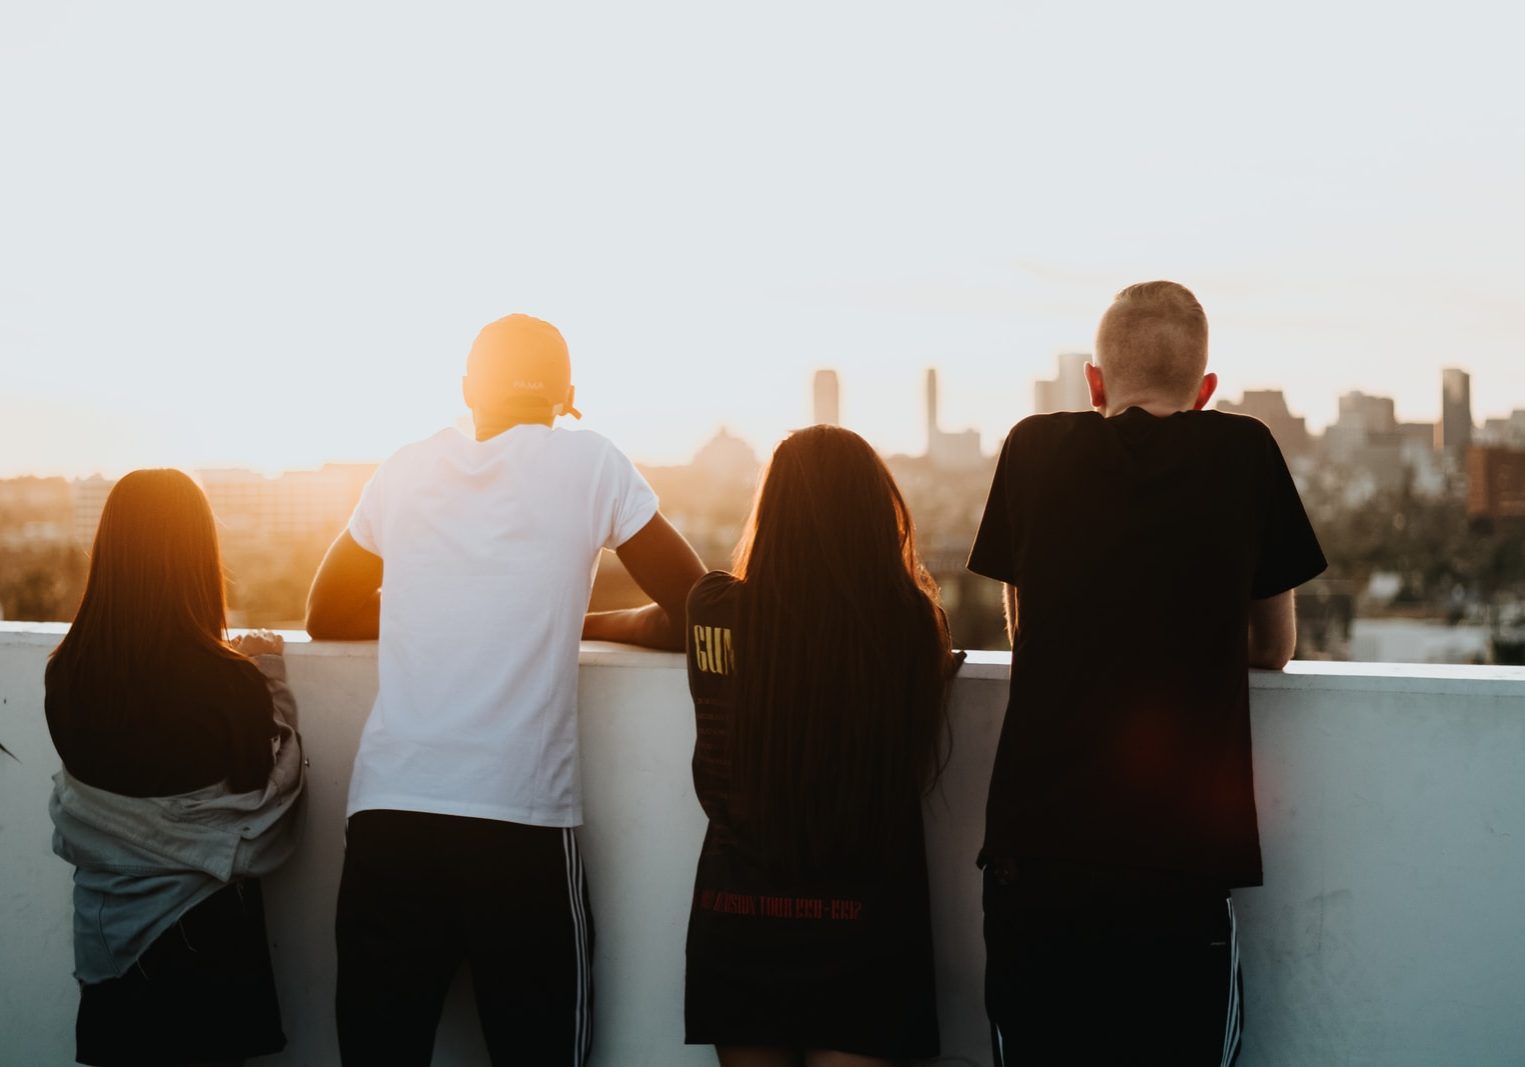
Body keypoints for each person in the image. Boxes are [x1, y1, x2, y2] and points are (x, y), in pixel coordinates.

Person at [307, 312, 706, 1066]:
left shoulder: (405, 466)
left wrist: (444, 599)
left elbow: (325, 612)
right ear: (568, 397)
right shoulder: (590, 462)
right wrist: (573, 614)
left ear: (466, 390)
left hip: (390, 813)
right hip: (515, 821)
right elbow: (698, 607)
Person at [968, 280, 1327, 1065]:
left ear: (1092, 383)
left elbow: (1027, 629)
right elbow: (1274, 646)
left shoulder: (1031, 448)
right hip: (1178, 863)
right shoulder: (1244, 452)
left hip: (1038, 855)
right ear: (1205, 391)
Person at [683, 425, 961, 1067]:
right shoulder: (909, 629)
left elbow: (670, 621)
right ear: (875, 513)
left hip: (740, 919)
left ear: (771, 510)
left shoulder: (711, 609)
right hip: (865, 928)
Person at [45, 468, 304, 1067]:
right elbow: (261, 798)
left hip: (106, 946)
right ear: (198, 556)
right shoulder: (229, 681)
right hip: (204, 948)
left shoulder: (65, 675)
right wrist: (269, 679)